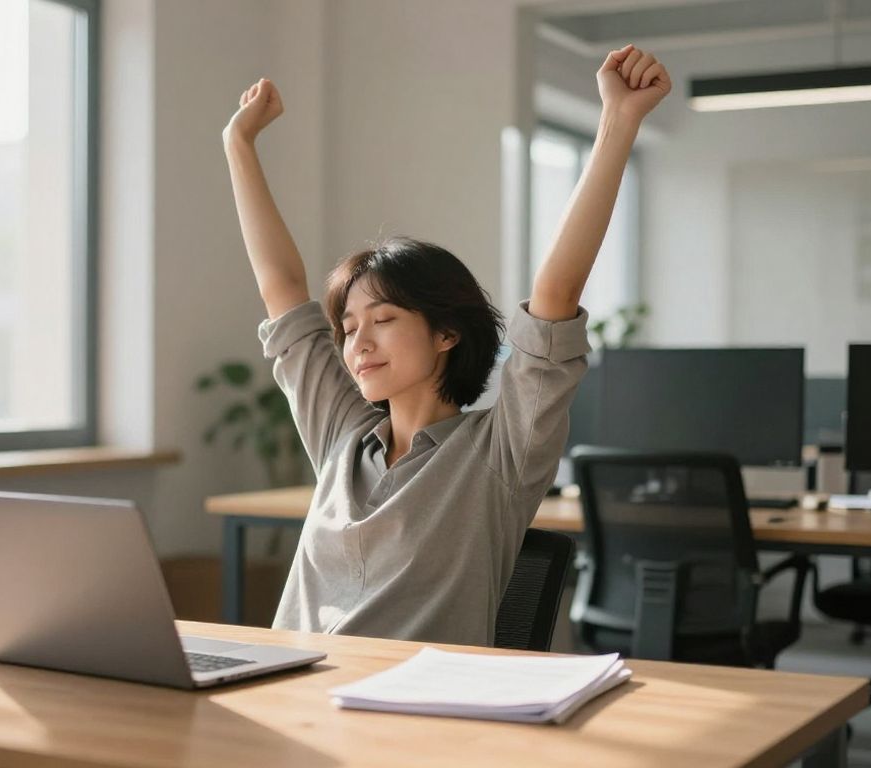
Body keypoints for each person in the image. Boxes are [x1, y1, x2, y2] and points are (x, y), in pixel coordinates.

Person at [222, 45, 671, 644]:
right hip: (290, 693)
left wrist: (619, 122)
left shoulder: (499, 454)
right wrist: (239, 145)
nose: (358, 342)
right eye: (349, 327)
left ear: (446, 333)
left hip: (411, 714)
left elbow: (557, 288)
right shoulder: (342, 439)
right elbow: (281, 288)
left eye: (382, 319)